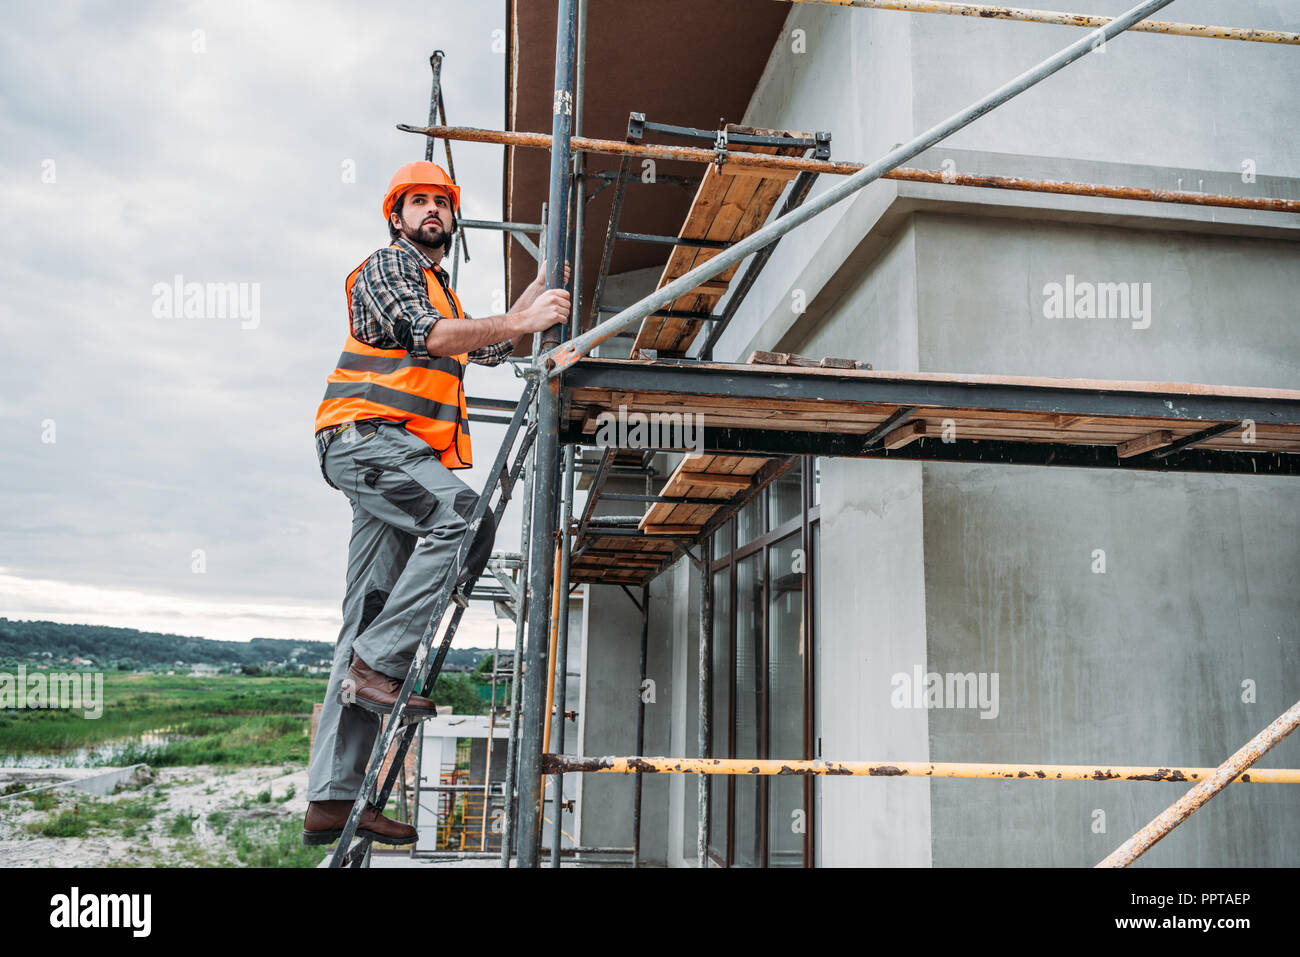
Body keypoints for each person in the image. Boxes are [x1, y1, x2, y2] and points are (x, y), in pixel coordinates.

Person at [302, 161, 569, 847]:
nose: (431, 211)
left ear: (453, 219)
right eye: (418, 202)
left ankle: (333, 796)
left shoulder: (442, 293)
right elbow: (436, 337)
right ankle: (378, 666)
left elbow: (488, 343)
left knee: (364, 610)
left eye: (441, 203)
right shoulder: (389, 269)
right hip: (369, 441)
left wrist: (530, 302)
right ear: (397, 217)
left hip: (386, 456)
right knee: (465, 522)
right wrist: (516, 316)